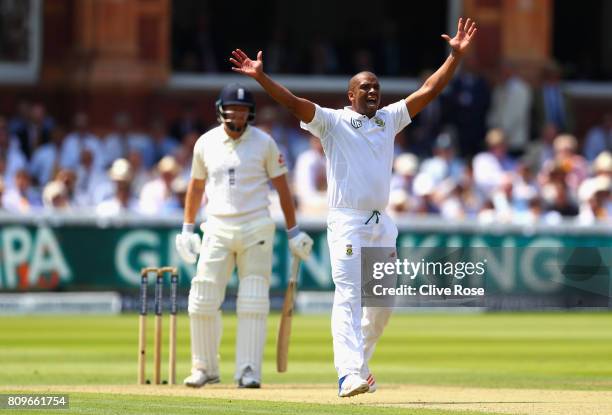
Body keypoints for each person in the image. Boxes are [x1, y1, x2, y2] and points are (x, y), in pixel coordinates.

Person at [230, 17, 477, 397]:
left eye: (376, 86)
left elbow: (429, 90)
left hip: (381, 224)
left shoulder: (389, 119)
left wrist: (455, 58)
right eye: (365, 87)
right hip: (347, 222)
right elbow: (295, 104)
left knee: (382, 305)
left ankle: (361, 366)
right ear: (350, 95)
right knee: (348, 296)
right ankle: (347, 374)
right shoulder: (332, 123)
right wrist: (261, 79)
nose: (373, 91)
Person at [174, 84, 313, 389]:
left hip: (256, 227)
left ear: (250, 112)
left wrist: (294, 231)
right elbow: (195, 187)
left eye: (242, 108)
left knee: (253, 300)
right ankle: (204, 367)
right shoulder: (206, 143)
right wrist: (187, 228)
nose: (237, 112)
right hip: (217, 227)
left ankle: (248, 370)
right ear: (220, 109)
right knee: (201, 300)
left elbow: (283, 188)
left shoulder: (264, 143)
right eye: (232, 107)